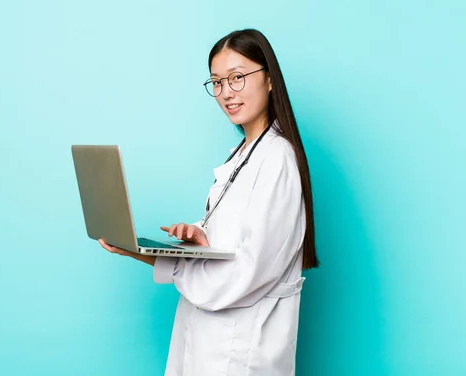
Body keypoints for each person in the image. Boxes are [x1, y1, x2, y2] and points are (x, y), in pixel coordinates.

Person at [98, 28, 319, 376]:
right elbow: (239, 233)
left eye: (237, 78)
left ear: (270, 79)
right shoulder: (242, 154)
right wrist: (199, 235)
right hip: (209, 341)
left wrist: (153, 257)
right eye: (217, 82)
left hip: (240, 350)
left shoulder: (277, 158)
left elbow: (249, 272)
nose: (226, 93)